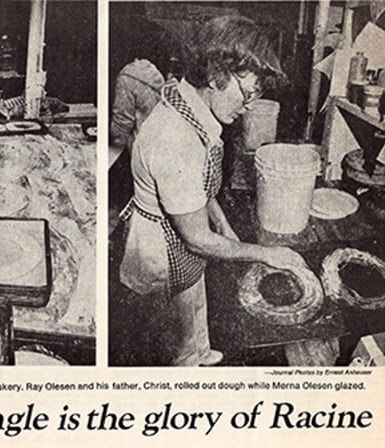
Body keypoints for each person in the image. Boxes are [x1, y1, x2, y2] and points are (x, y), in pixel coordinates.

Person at [118, 16, 308, 367]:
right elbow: (196, 240)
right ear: (217, 74)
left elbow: (199, 189)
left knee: (194, 304)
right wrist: (266, 254)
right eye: (248, 94)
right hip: (162, 249)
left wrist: (225, 227)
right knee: (174, 336)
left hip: (182, 238)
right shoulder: (174, 138)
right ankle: (188, 365)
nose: (250, 106)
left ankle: (200, 351)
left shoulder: (192, 105)